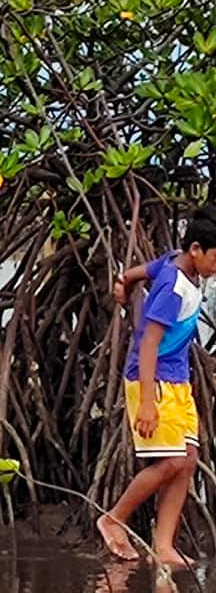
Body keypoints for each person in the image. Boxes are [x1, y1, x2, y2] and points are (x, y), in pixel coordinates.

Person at [98, 208, 216, 569]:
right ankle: (113, 519)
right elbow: (148, 345)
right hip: (153, 382)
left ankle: (163, 546)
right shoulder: (173, 287)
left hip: (178, 382)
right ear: (196, 249)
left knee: (188, 460)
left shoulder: (174, 264)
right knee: (172, 461)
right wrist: (147, 404)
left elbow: (142, 270)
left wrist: (124, 281)